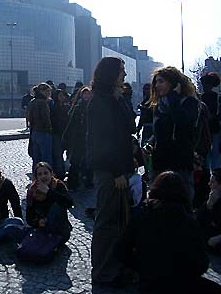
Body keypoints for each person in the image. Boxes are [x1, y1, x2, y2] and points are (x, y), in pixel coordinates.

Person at [115, 171, 221, 293]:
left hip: (150, 284)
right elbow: (201, 263)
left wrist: (142, 267)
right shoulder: (187, 221)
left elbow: (120, 249)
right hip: (180, 284)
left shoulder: (142, 217)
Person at [86, 57, 135, 285]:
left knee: (118, 221)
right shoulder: (100, 101)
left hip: (120, 168)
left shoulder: (116, 98)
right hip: (110, 171)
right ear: (111, 74)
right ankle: (103, 272)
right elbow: (104, 141)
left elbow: (127, 128)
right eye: (121, 71)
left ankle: (115, 267)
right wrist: (117, 172)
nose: (124, 75)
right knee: (107, 223)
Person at [144, 66, 198, 204]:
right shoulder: (158, 105)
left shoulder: (188, 102)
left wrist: (173, 99)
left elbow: (184, 124)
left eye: (161, 81)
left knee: (182, 201)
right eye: (156, 82)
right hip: (160, 161)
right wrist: (150, 143)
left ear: (173, 83)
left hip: (180, 161)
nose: (157, 85)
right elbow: (158, 131)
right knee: (158, 201)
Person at [26, 162, 73, 244]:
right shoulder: (32, 190)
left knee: (57, 205)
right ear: (36, 177)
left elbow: (69, 203)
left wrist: (48, 192)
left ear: (51, 174)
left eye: (46, 173)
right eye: (39, 174)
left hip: (59, 230)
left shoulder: (58, 185)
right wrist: (38, 222)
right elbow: (29, 217)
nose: (43, 176)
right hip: (42, 229)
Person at [63, 86, 92, 190]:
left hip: (89, 139)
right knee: (75, 161)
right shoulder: (77, 107)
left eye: (88, 94)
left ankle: (89, 182)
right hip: (78, 139)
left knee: (89, 162)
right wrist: (66, 136)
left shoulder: (93, 107)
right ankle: (73, 183)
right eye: (84, 94)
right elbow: (71, 123)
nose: (86, 96)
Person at [28, 82, 53, 170]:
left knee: (36, 158)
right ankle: (47, 177)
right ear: (43, 92)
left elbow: (29, 117)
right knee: (46, 158)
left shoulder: (32, 101)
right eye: (48, 91)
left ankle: (36, 176)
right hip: (44, 132)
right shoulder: (43, 102)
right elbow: (46, 118)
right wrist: (50, 129)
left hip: (34, 132)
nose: (49, 93)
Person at [197, 168, 221, 253]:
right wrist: (209, 205)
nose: (209, 184)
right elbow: (199, 220)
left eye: (213, 182)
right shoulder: (211, 196)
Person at [200, 73, 221, 170]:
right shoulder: (201, 98)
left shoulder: (217, 98)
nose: (205, 87)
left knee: (214, 152)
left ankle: (214, 173)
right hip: (206, 128)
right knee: (209, 152)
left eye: (206, 85)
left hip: (214, 127)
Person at [51, 89, 70, 179]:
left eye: (63, 96)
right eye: (60, 96)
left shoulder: (65, 106)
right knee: (58, 155)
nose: (62, 98)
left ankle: (62, 171)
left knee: (63, 153)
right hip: (57, 134)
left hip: (64, 133)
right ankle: (60, 173)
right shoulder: (55, 107)